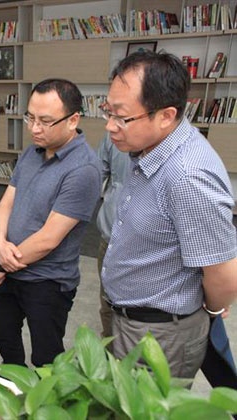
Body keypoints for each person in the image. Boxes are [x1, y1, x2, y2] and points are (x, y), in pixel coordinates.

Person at [101, 51, 237, 380]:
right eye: (108, 111)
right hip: (129, 316)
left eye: (122, 117)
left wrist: (210, 309)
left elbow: (223, 274)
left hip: (158, 334)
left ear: (166, 115)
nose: (110, 126)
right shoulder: (152, 146)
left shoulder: (188, 177)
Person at [0, 79, 101, 367]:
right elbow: (6, 204)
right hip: (13, 267)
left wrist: (1, 264)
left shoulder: (83, 169)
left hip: (48, 280)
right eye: (31, 118)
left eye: (46, 121)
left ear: (73, 120)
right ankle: (14, 385)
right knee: (3, 333)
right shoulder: (31, 152)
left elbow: (48, 239)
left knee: (46, 355)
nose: (34, 128)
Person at [95, 133, 129, 338]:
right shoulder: (112, 135)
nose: (110, 124)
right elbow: (96, 174)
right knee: (107, 301)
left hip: (150, 246)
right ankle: (109, 347)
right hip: (110, 235)